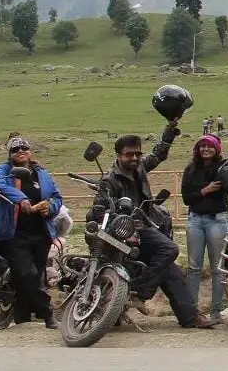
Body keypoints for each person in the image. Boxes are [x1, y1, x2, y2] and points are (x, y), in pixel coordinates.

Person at [91, 121, 215, 329]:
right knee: (170, 250)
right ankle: (141, 292)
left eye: (137, 154)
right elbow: (99, 208)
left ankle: (189, 316)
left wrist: (170, 130)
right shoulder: (110, 180)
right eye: (129, 154)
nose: (134, 158)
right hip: (121, 232)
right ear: (119, 155)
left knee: (170, 268)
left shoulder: (139, 168)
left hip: (142, 228)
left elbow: (158, 155)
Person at [0, 135, 61, 328]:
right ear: (9, 154)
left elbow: (57, 197)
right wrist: (20, 198)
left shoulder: (42, 173)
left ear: (30, 151)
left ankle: (22, 317)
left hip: (41, 233)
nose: (20, 152)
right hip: (14, 234)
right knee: (28, 274)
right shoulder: (3, 172)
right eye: (15, 149)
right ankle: (47, 314)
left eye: (24, 148)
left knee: (29, 276)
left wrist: (50, 208)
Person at [181, 134, 228, 324]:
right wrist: (205, 190)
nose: (205, 149)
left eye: (209, 146)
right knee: (194, 267)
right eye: (202, 146)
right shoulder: (190, 170)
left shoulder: (223, 168)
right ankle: (192, 312)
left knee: (218, 268)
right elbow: (186, 198)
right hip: (195, 220)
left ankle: (216, 312)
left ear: (217, 149)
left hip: (217, 220)